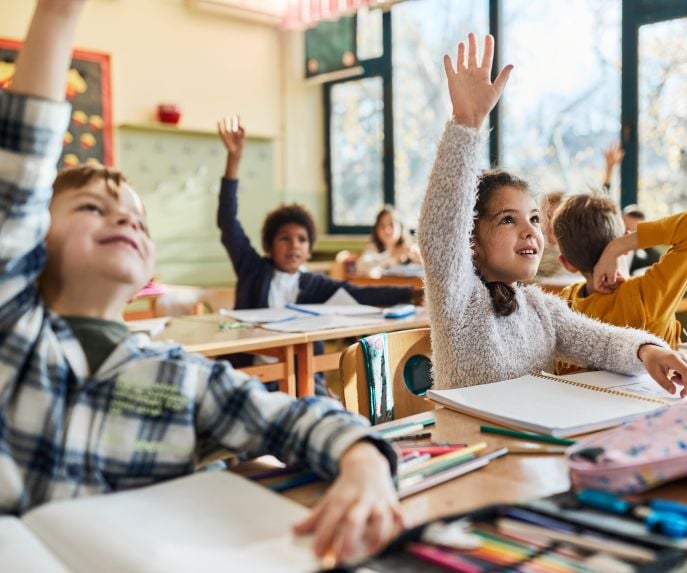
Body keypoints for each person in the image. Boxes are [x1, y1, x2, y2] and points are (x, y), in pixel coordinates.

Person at [0, 2, 401, 562]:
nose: (123, 219)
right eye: (93, 208)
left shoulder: (182, 375)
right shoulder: (14, 329)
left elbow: (290, 413)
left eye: (138, 220)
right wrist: (60, 15)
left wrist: (364, 458)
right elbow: (19, 175)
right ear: (32, 240)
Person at [418, 32, 687, 394]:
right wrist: (466, 124)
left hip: (531, 442)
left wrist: (648, 350)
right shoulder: (458, 297)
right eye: (508, 219)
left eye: (534, 218)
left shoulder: (539, 306)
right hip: (474, 441)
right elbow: (439, 230)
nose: (530, 231)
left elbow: (600, 341)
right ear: (470, 239)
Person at [216, 116, 416, 394]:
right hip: (252, 378)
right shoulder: (252, 269)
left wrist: (412, 294)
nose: (293, 246)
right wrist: (234, 160)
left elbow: (360, 294)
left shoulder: (313, 284)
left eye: (301, 240)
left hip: (303, 379)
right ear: (270, 245)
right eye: (284, 239)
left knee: (333, 410)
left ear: (309, 249)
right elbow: (228, 222)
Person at [553, 193, 687, 349]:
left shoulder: (564, 302)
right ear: (626, 241)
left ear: (567, 263)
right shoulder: (648, 295)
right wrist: (616, 247)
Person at [355, 206, 421, 275]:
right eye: (382, 226)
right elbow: (361, 267)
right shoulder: (373, 248)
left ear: (400, 227)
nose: (387, 230)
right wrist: (393, 257)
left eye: (391, 225)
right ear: (376, 229)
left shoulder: (410, 247)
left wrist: (419, 258)